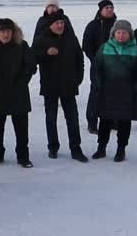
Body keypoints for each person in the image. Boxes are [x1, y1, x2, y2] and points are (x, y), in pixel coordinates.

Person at [31, 11, 88, 163]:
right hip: (50, 85)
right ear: (50, 25)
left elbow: (79, 58)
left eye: (62, 23)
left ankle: (76, 149)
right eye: (57, 23)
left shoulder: (71, 38)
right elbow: (32, 59)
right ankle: (53, 147)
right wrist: (46, 53)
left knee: (73, 119)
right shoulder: (41, 39)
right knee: (51, 118)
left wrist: (78, 78)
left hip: (69, 84)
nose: (60, 25)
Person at [0, 18, 37, 168]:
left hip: (18, 93)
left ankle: (23, 156)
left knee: (21, 129)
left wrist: (21, 82)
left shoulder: (22, 46)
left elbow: (31, 66)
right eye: (2, 31)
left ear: (13, 32)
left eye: (8, 31)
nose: (5, 34)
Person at [91, 20, 137, 163]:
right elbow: (97, 68)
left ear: (129, 35)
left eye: (124, 33)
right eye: (118, 33)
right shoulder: (105, 48)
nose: (121, 35)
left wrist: (136, 87)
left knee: (124, 122)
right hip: (108, 90)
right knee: (105, 121)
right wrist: (99, 84)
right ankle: (101, 148)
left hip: (127, 91)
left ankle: (121, 150)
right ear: (113, 34)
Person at [82, 0, 117, 134]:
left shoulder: (118, 25)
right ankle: (92, 122)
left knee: (114, 94)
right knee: (96, 93)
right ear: (100, 10)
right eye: (107, 8)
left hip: (116, 66)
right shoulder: (93, 25)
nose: (109, 10)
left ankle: (113, 120)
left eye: (111, 7)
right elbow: (86, 45)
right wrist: (94, 59)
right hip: (98, 66)